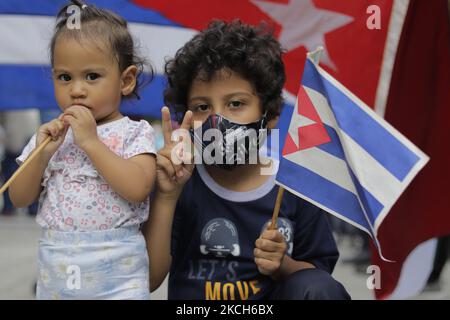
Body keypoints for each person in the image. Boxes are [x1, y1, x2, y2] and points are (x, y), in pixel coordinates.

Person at [145, 20, 350, 300]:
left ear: (271, 114)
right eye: (203, 107)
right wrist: (166, 197)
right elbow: (148, 279)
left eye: (236, 104)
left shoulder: (293, 186)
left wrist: (282, 265)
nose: (218, 121)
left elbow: (319, 283)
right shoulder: (181, 183)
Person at [8, 1, 156, 299]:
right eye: (65, 77)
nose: (76, 89)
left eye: (92, 77)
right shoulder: (52, 135)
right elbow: (19, 196)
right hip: (58, 268)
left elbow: (138, 187)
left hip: (118, 272)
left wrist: (90, 142)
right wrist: (43, 154)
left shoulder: (134, 132)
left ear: (126, 80)